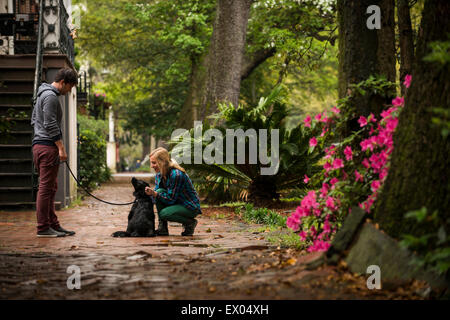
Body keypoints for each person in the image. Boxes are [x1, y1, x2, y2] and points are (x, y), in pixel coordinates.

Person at [31, 68, 78, 237]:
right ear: (63, 82)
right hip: (47, 146)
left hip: (40, 145)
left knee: (51, 187)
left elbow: (34, 120)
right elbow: (50, 124)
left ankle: (53, 224)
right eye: (70, 87)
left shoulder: (43, 94)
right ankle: (43, 227)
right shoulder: (50, 96)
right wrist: (61, 148)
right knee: (45, 188)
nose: (69, 91)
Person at [145, 147, 201, 236]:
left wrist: (155, 194)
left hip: (188, 206)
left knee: (164, 213)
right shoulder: (159, 175)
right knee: (159, 191)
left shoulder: (176, 175)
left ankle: (190, 222)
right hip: (176, 203)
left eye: (154, 163)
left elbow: (170, 199)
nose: (151, 166)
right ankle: (162, 228)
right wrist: (149, 194)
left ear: (162, 162)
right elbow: (157, 195)